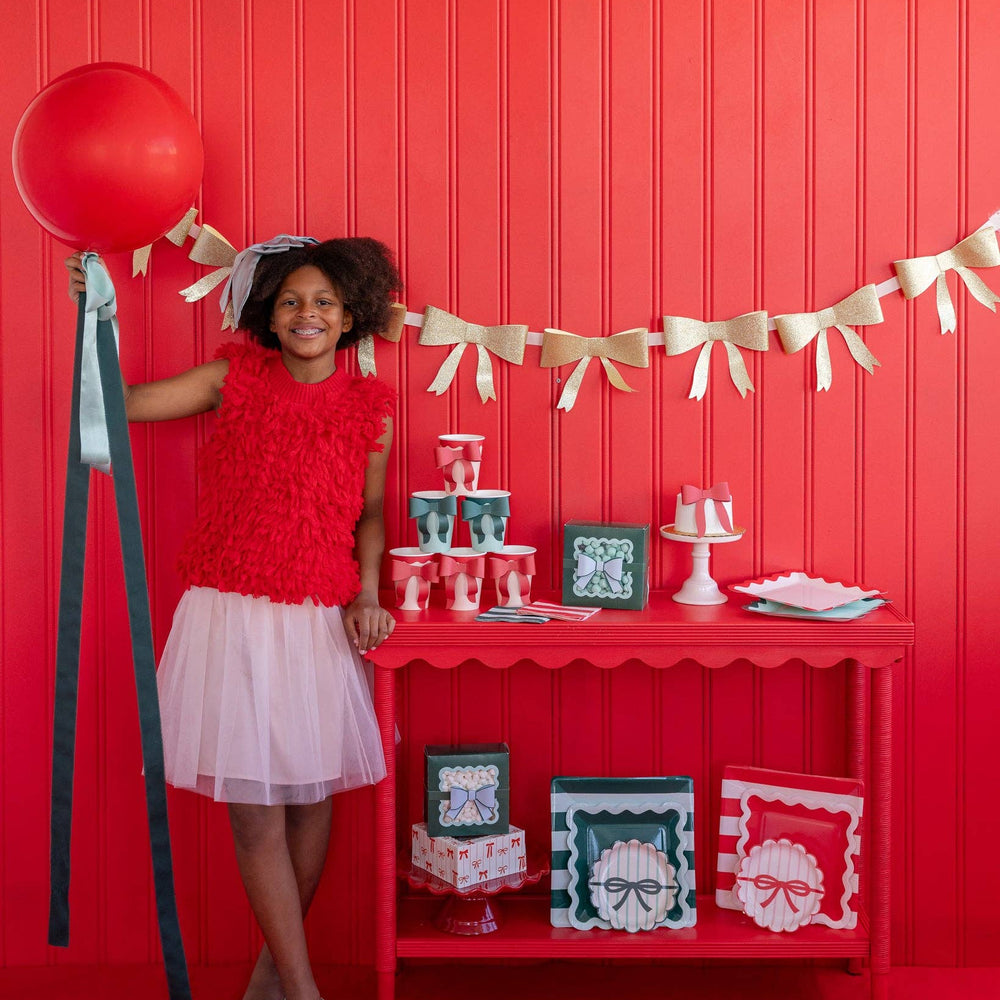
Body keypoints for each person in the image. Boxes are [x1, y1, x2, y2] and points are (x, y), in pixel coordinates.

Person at [66, 235, 402, 1000]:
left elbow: (372, 512)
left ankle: (271, 974)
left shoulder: (368, 411)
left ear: (350, 315)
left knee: (311, 797)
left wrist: (369, 592)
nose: (306, 313)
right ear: (269, 315)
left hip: (317, 614)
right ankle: (304, 988)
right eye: (290, 301)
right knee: (254, 814)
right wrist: (98, 317)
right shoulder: (234, 377)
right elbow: (118, 408)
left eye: (322, 301)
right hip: (232, 613)